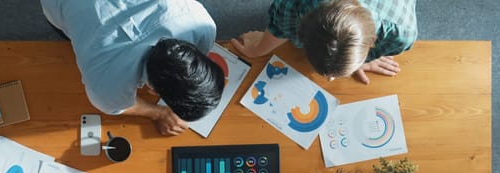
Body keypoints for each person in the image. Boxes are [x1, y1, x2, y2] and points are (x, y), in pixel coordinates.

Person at [40, 0, 225, 136]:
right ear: (152, 89)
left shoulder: (201, 22)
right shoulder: (105, 86)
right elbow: (117, 107)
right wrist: (158, 113)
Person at [232, 0, 417, 84]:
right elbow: (280, 27)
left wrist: (362, 58)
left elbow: (283, 26)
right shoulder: (296, 3)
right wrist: (257, 50)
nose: (329, 80)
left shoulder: (402, 34)